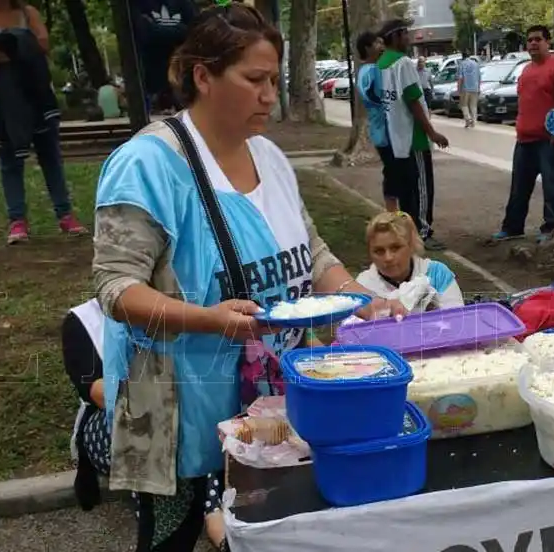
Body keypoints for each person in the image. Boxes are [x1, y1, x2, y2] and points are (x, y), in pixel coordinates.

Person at [83, 6, 408, 551]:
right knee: (171, 535)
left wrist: (363, 300)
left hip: (267, 399)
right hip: (170, 406)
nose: (268, 96)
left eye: (273, 81)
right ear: (203, 76)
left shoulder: (270, 156)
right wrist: (209, 320)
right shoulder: (147, 165)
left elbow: (313, 253)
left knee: (267, 531)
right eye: (254, 79)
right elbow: (116, 288)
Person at [0, 0, 86, 244]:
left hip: (36, 94)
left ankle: (65, 213)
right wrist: (23, 45)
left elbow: (42, 44)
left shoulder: (28, 12)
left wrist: (2, 46)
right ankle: (17, 219)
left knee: (50, 155)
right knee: (9, 159)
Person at [488, 25, 554, 245]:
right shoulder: (526, 70)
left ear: (548, 42)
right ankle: (512, 227)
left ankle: (551, 229)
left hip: (553, 138)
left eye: (538, 39)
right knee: (519, 187)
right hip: (526, 139)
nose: (533, 43)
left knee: (553, 186)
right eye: (530, 40)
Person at [377, 19, 448, 251]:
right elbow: (413, 101)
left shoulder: (381, 63)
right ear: (396, 36)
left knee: (407, 190)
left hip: (396, 137)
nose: (408, 38)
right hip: (413, 137)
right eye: (405, 33)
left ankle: (410, 230)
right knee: (422, 188)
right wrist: (432, 132)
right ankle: (423, 232)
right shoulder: (403, 63)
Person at [355, 211, 463, 311]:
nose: (388, 258)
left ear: (411, 246)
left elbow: (457, 318)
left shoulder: (438, 274)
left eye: (395, 248)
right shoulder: (363, 286)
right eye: (379, 251)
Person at [356, 31, 397, 212]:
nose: (382, 47)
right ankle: (392, 211)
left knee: (393, 171)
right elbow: (377, 95)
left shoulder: (369, 70)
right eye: (377, 43)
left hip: (384, 130)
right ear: (367, 48)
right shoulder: (372, 71)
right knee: (393, 171)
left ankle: (393, 210)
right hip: (385, 131)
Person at [132, 0, 197, 113]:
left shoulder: (184, 3)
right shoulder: (137, 3)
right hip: (151, 83)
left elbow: (195, 31)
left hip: (183, 79)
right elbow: (144, 33)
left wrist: (155, 28)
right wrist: (180, 30)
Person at [457, 49, 481, 128]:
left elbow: (460, 78)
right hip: (475, 87)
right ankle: (473, 122)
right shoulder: (476, 64)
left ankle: (468, 118)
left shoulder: (461, 64)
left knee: (463, 104)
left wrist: (459, 89)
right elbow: (479, 77)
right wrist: (479, 88)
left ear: (462, 56)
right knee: (473, 105)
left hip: (465, 88)